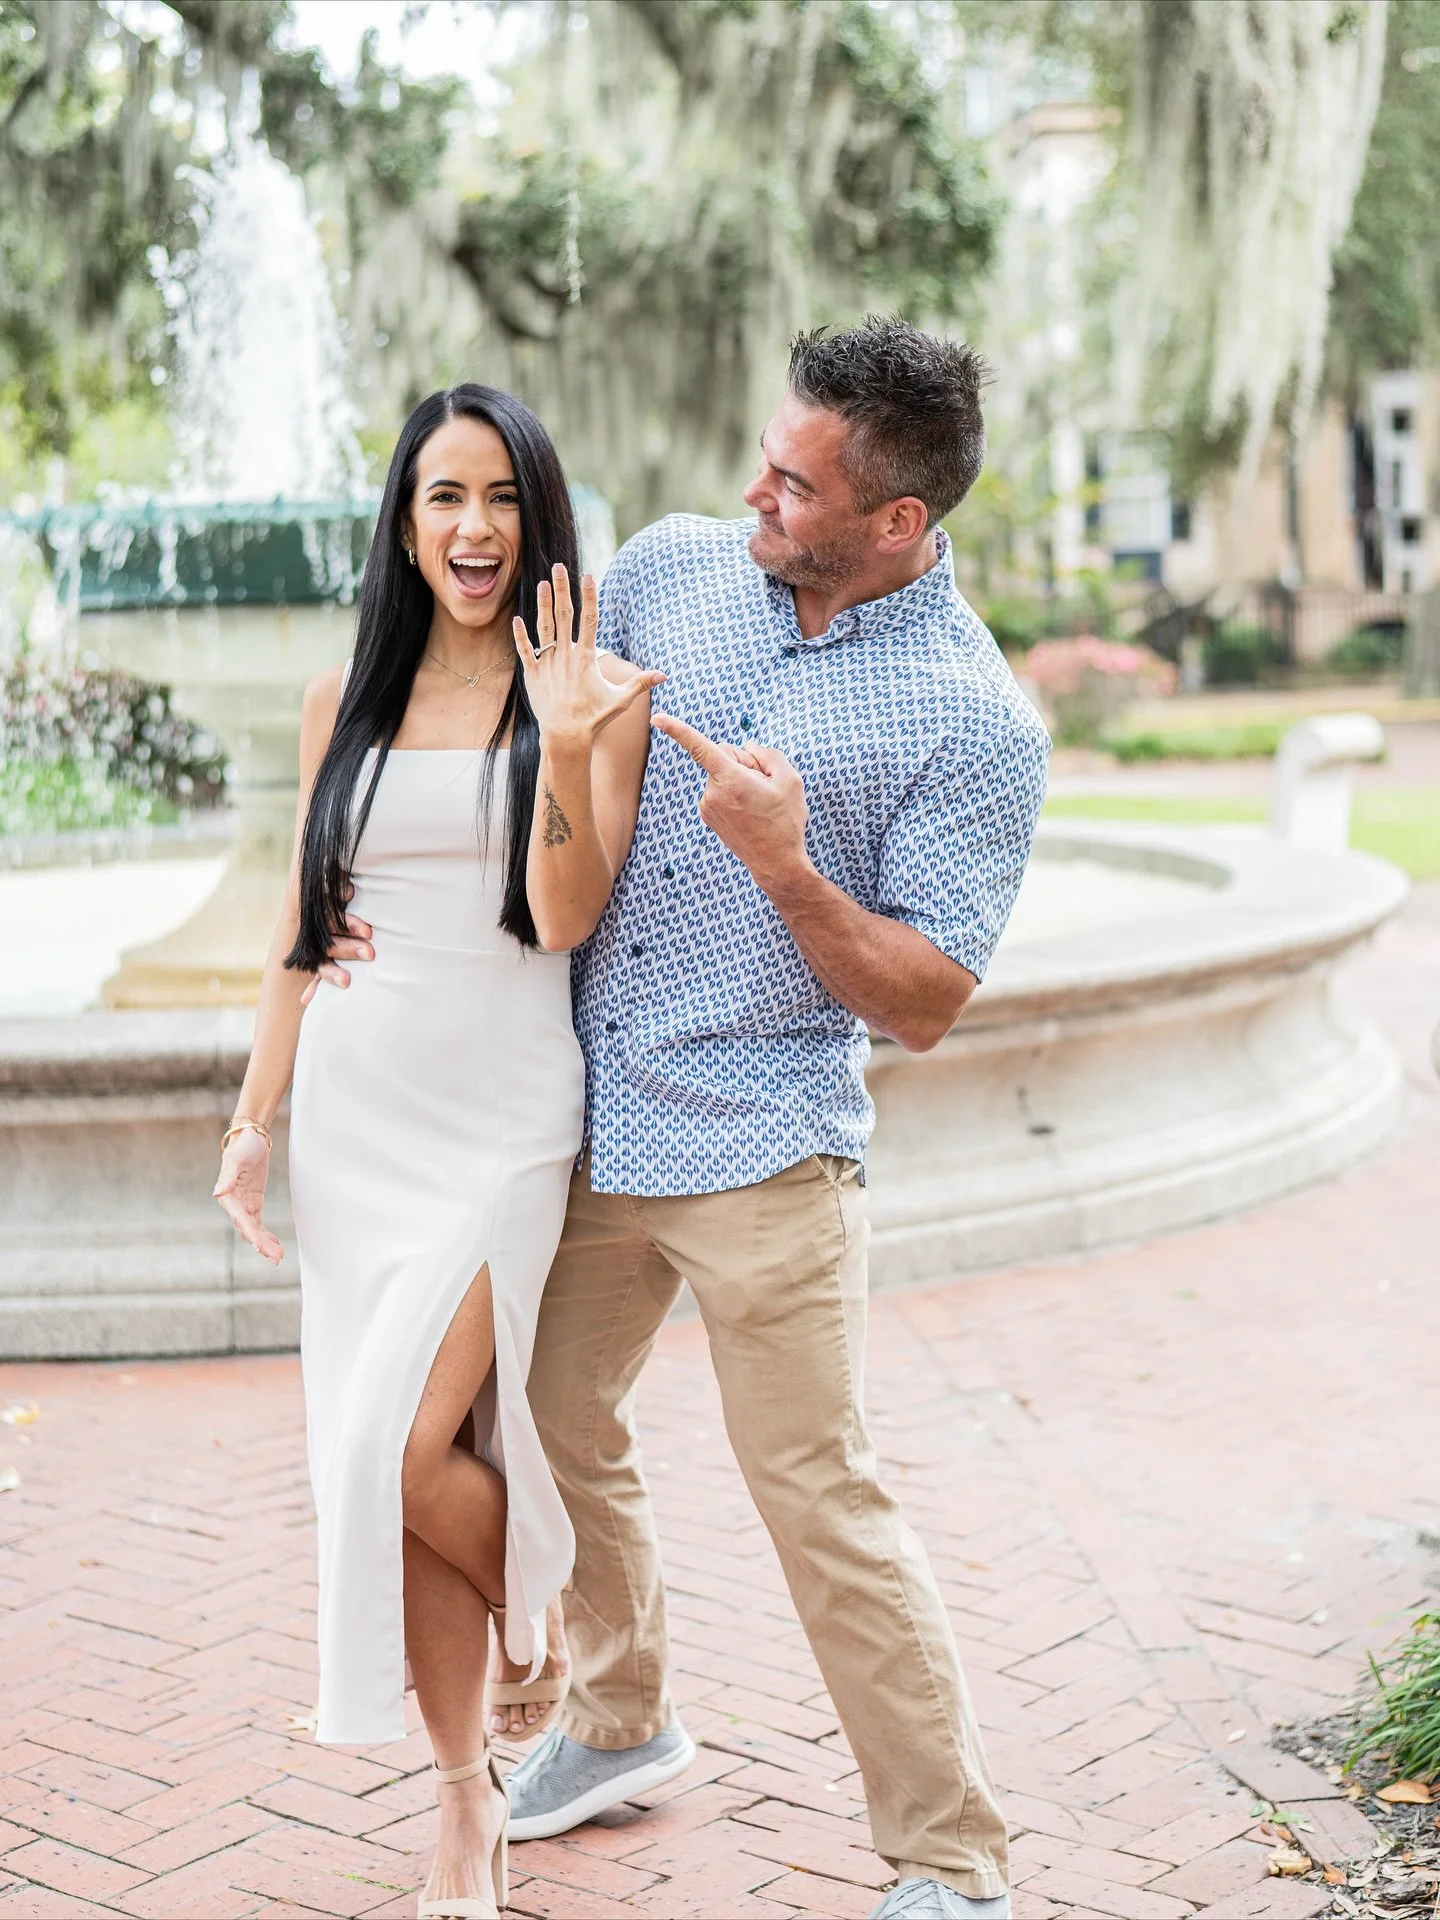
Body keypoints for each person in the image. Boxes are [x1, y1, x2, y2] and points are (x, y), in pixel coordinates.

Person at [315, 318, 1051, 1920]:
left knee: (819, 1495)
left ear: (899, 521)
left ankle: (953, 1863)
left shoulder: (972, 720)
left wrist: (787, 865)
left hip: (768, 1148)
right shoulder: (669, 566)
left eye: (793, 485)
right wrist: (360, 890)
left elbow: (923, 1001)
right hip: (583, 1120)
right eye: (765, 457)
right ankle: (621, 1716)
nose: (751, 493)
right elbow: (518, 724)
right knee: (552, 1433)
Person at [212, 383, 661, 1920]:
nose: (473, 530)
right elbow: (297, 931)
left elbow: (567, 916)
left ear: (539, 514)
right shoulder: (342, 702)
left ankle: (536, 1615)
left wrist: (562, 737)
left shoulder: (600, 691)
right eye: (440, 499)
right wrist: (251, 1123)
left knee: (397, 1453)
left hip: (504, 1114)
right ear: (403, 527)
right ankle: (463, 1813)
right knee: (411, 1464)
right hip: (357, 1120)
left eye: (498, 499)